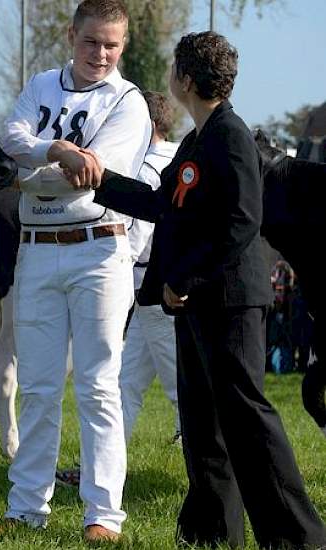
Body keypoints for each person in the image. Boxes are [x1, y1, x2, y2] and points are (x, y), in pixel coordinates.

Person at [89, 31, 326, 549]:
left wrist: (186, 279)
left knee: (248, 421)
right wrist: (97, 177)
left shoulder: (232, 136)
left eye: (174, 69)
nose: (170, 77)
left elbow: (245, 221)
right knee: (202, 424)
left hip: (232, 301)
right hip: (199, 303)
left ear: (185, 80)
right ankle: (210, 532)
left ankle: (298, 537)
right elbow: (161, 203)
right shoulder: (199, 140)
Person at [0, 0, 151, 542]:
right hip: (36, 247)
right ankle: (25, 509)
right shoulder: (41, 84)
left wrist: (32, 171)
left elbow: (93, 177)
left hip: (99, 250)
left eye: (111, 45)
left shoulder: (129, 102)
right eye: (91, 42)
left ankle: (103, 515)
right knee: (37, 387)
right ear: (71, 35)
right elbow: (8, 143)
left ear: (123, 46)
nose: (101, 54)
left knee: (98, 385)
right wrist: (57, 149)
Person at [119, 91, 181, 444]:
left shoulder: (145, 167)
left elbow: (135, 238)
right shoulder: (177, 157)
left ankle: (206, 472)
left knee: (178, 387)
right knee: (125, 385)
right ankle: (99, 465)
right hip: (158, 290)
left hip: (149, 285)